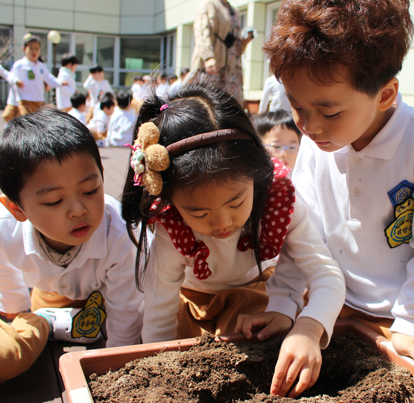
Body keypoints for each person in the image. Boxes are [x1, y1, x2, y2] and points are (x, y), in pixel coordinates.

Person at [264, 0, 414, 379]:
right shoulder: (314, 141)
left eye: (330, 112)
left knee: (412, 381)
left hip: (402, 310)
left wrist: (410, 326)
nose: (310, 126)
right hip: (329, 299)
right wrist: (283, 302)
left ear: (386, 94)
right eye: (296, 106)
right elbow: (301, 233)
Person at [120, 82, 345, 398]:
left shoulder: (278, 202)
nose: (222, 222)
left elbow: (326, 275)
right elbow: (160, 307)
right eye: (199, 212)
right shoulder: (172, 226)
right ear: (172, 200)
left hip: (252, 299)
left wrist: (308, 329)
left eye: (236, 202)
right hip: (192, 303)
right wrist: (159, 371)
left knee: (259, 344)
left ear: (255, 174)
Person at [0, 107, 144, 348]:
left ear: (102, 176)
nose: (78, 210)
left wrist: (118, 359)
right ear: (16, 208)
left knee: (126, 319)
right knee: (41, 321)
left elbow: (126, 316)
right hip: (50, 293)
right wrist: (13, 304)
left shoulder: (122, 235)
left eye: (89, 190)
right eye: (54, 201)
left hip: (114, 295)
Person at [190, 0, 253, 106]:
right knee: (208, 103)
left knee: (231, 106)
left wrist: (243, 43)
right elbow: (201, 31)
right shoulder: (209, 4)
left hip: (231, 70)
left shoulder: (233, 10)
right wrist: (208, 56)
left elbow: (234, 45)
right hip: (214, 67)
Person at [9, 34, 67, 115]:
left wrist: (60, 83)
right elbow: (11, 76)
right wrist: (16, 80)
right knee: (27, 122)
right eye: (31, 48)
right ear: (24, 49)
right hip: (25, 99)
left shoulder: (41, 66)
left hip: (39, 101)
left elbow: (49, 78)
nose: (34, 51)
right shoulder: (20, 64)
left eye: (37, 49)